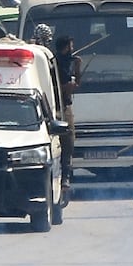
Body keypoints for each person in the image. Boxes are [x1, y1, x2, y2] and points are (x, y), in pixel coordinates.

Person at [51, 34, 82, 183]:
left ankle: (66, 176)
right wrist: (66, 87)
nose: (72, 49)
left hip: (66, 106)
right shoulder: (53, 63)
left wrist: (78, 68)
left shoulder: (69, 62)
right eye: (70, 46)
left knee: (69, 143)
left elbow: (77, 83)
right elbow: (56, 87)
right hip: (54, 107)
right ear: (65, 47)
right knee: (60, 142)